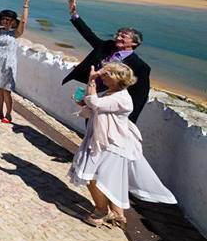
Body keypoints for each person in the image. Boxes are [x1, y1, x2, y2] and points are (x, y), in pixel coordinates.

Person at [68, 63, 176, 228]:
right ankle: (117, 215)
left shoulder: (122, 98)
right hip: (102, 141)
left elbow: (95, 104)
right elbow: (94, 105)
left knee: (92, 177)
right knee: (105, 178)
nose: (102, 76)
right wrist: (84, 103)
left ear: (117, 78)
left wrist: (91, 80)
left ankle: (101, 211)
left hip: (111, 144)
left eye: (106, 74)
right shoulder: (111, 93)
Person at [63, 0, 151, 124]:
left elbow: (139, 96)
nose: (118, 37)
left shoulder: (140, 66)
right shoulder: (107, 46)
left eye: (123, 36)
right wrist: (74, 14)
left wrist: (130, 120)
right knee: (89, 125)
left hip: (110, 102)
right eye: (118, 34)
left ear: (134, 43)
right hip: (93, 94)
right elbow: (89, 35)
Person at [0, 0, 30, 123]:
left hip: (8, 64)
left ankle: (8, 114)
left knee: (7, 91)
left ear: (12, 21)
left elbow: (23, 22)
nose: (5, 21)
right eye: (3, 19)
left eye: (8, 19)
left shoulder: (15, 33)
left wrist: (26, 5)